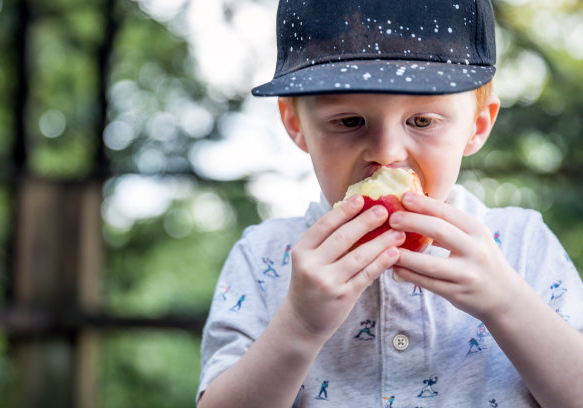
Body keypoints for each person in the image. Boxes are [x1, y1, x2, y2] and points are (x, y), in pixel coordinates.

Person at [197, 1, 583, 407]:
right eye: (349, 121)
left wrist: (508, 304)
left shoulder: (520, 245)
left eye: (422, 121)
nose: (386, 153)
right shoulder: (265, 257)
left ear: (477, 125)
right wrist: (298, 324)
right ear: (296, 125)